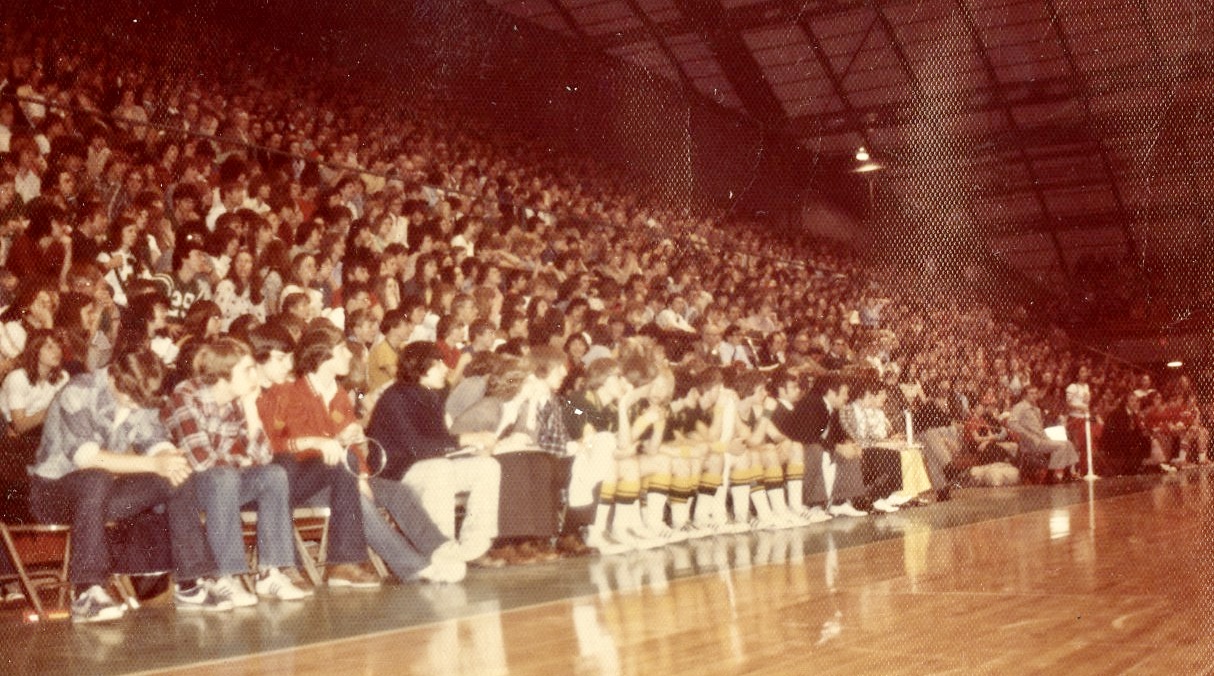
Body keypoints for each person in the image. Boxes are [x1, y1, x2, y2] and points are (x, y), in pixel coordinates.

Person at [27, 347, 224, 621]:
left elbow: (154, 439)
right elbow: (87, 458)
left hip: (99, 494)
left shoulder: (137, 391)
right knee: (96, 477)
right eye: (132, 402)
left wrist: (169, 457)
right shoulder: (78, 391)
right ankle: (88, 591)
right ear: (114, 378)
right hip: (51, 493)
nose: (136, 408)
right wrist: (154, 464)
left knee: (177, 475)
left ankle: (190, 584)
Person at [161, 338, 309, 605]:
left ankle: (270, 573)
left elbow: (263, 457)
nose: (255, 376)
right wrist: (241, 460)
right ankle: (224, 576)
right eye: (247, 370)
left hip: (222, 482)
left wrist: (251, 408)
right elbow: (202, 460)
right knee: (224, 477)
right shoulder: (185, 396)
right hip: (181, 488)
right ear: (222, 374)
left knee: (274, 474)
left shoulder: (238, 400)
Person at [255, 322, 381, 588]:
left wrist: (354, 461)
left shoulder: (281, 390)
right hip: (258, 481)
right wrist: (315, 441)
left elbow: (287, 443)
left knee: (344, 461)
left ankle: (343, 562)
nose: (289, 365)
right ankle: (285, 565)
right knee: (283, 465)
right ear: (256, 362)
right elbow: (267, 448)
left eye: (290, 358)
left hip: (292, 479)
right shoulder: (274, 394)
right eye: (281, 359)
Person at [368, 341, 503, 565]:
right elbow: (416, 447)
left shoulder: (435, 395)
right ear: (420, 368)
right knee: (439, 468)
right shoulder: (395, 397)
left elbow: (439, 443)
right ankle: (442, 548)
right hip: (397, 472)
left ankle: (474, 548)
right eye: (438, 363)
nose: (445, 369)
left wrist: (473, 448)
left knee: (487, 467)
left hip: (429, 466)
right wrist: (466, 439)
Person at [1007, 384, 1081, 483]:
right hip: (1031, 442)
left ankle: (1068, 474)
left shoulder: (1036, 409)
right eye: (1031, 393)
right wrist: (1026, 434)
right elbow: (1011, 423)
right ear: (1025, 395)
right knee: (1061, 446)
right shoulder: (1020, 406)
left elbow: (1039, 428)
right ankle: (1049, 476)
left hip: (1041, 439)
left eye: (1036, 393)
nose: (1034, 395)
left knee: (1068, 443)